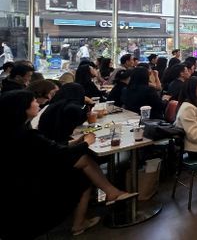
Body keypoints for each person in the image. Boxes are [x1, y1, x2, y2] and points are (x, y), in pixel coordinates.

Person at [0, 90, 136, 238]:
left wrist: (75, 142)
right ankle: (109, 195)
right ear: (23, 108)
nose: (37, 103)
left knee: (83, 166)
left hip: (25, 177)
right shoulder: (27, 135)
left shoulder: (13, 132)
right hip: (35, 181)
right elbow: (59, 154)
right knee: (83, 168)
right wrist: (86, 143)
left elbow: (50, 149)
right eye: (33, 101)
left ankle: (100, 203)